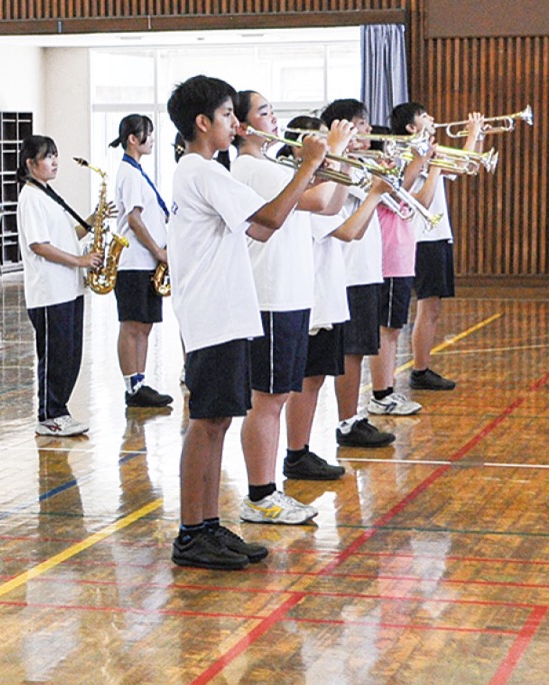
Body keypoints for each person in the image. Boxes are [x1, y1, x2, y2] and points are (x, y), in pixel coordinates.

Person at [166, 75, 322, 570]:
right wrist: (308, 167)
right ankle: (191, 533)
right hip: (212, 316)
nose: (235, 124)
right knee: (205, 424)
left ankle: (209, 525)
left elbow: (256, 224)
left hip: (227, 315)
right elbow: (271, 220)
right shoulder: (201, 171)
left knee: (219, 423)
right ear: (202, 122)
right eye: (228, 115)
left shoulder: (208, 172)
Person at [231, 92, 352, 526]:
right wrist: (331, 152)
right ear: (243, 128)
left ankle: (267, 491)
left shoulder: (276, 168)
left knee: (278, 396)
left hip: (293, 296)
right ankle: (260, 496)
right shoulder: (251, 168)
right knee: (267, 399)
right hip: (269, 297)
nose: (275, 119)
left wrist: (340, 162)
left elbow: (333, 205)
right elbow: (319, 201)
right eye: (263, 112)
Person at [283, 116, 390, 479]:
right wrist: (375, 193)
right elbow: (348, 230)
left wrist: (341, 165)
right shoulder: (299, 189)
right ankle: (297, 453)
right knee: (307, 379)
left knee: (314, 379)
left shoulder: (318, 188)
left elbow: (339, 213)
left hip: (327, 295)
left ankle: (303, 450)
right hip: (310, 297)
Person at [321, 99, 397, 449]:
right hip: (350, 272)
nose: (367, 132)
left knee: (360, 349)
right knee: (351, 351)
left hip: (366, 270)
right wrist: (378, 181)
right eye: (360, 126)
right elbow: (364, 206)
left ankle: (352, 417)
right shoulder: (341, 167)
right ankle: (347, 421)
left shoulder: (359, 166)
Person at [17, 134, 100, 438]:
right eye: (47, 156)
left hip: (69, 289)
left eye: (55, 155)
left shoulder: (48, 194)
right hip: (49, 293)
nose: (54, 162)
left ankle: (60, 410)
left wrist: (92, 222)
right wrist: (81, 262)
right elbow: (39, 245)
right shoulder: (30, 197)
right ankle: (49, 414)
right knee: (54, 357)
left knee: (70, 356)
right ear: (30, 163)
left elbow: (65, 237)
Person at [367, 107, 441, 417]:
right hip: (389, 257)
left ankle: (387, 391)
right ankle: (382, 394)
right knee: (387, 330)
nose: (390, 155)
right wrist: (424, 161)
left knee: (392, 328)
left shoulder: (387, 173)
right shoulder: (373, 174)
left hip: (401, 257)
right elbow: (402, 190)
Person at [410, 111, 487, 391]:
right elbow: (466, 161)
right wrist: (471, 133)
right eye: (423, 116)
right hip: (424, 238)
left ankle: (422, 367)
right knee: (427, 307)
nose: (431, 118)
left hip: (437, 236)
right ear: (410, 127)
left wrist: (478, 138)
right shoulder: (414, 154)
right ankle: (419, 370)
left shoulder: (431, 151)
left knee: (433, 308)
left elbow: (470, 166)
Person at [110, 114, 173, 410]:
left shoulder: (136, 172)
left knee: (145, 324)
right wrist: (158, 251)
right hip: (134, 260)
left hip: (146, 261)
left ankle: (140, 381)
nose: (152, 139)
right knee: (132, 324)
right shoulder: (129, 174)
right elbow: (134, 219)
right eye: (147, 134)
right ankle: (131, 385)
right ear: (133, 139)